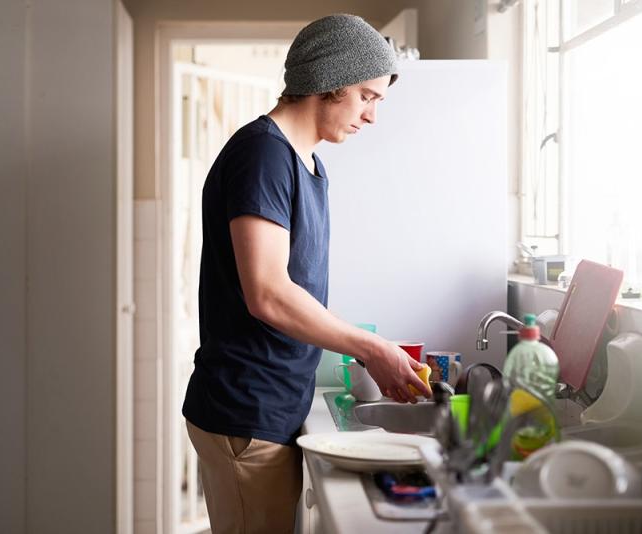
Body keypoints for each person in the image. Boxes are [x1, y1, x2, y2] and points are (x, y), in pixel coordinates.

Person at [182, 14, 432, 533]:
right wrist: (371, 348)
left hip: (274, 404)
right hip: (247, 408)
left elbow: (295, 291)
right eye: (367, 96)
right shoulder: (263, 155)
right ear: (330, 81)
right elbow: (268, 294)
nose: (371, 116)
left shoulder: (306, 163)